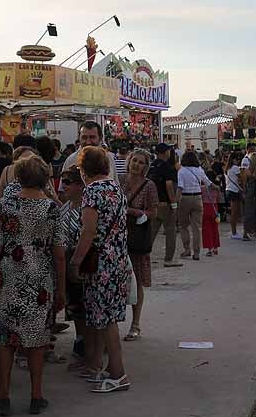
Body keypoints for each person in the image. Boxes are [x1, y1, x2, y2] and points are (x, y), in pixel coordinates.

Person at [0, 155, 65, 416]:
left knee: (6, 339)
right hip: (41, 278)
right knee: (37, 338)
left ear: (18, 177)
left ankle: (3, 396)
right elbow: (59, 253)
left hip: (9, 275)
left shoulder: (7, 205)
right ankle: (36, 395)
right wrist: (61, 287)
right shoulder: (52, 209)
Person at [71, 146, 131, 393]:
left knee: (105, 322)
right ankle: (105, 368)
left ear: (84, 170)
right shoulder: (115, 188)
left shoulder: (92, 192)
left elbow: (89, 231)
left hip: (100, 263)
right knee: (107, 318)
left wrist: (75, 261)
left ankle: (118, 373)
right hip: (117, 259)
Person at [120, 150, 157, 341]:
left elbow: (153, 211)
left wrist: (133, 211)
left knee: (137, 281)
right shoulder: (119, 180)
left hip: (137, 238)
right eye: (134, 160)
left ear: (145, 166)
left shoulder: (149, 186)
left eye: (141, 162)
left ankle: (135, 324)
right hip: (118, 237)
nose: (136, 164)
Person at [57, 168, 89, 365]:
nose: (63, 186)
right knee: (75, 309)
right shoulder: (66, 206)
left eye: (67, 182)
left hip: (83, 265)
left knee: (85, 309)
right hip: (68, 265)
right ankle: (80, 341)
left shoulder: (87, 208)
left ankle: (88, 348)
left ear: (80, 185)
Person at [148, 143, 182, 266]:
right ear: (163, 152)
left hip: (154, 204)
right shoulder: (167, 167)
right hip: (165, 204)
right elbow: (169, 185)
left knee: (151, 232)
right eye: (168, 150)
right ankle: (169, 259)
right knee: (171, 231)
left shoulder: (152, 166)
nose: (169, 153)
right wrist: (173, 204)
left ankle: (144, 255)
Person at [177, 151, 211, 261]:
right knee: (197, 228)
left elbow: (180, 187)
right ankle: (196, 253)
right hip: (197, 198)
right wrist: (216, 187)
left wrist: (176, 201)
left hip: (185, 199)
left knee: (183, 226)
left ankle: (187, 249)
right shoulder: (199, 170)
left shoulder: (181, 171)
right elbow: (208, 183)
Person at [201, 167, 222, 257]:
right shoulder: (217, 188)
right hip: (215, 208)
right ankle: (215, 248)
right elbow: (219, 199)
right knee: (215, 228)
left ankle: (209, 249)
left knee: (207, 229)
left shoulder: (202, 188)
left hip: (205, 207)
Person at [241, 143, 256, 240]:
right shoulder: (246, 159)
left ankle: (250, 230)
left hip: (252, 186)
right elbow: (245, 174)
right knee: (248, 210)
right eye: (252, 149)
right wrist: (244, 188)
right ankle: (245, 232)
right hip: (250, 186)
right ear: (248, 149)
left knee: (252, 210)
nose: (254, 151)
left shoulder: (250, 158)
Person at [225, 152, 243, 239]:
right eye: (237, 159)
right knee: (234, 213)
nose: (238, 161)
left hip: (229, 190)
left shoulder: (228, 168)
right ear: (233, 159)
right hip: (234, 191)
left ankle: (234, 231)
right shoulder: (235, 168)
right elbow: (240, 179)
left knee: (234, 212)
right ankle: (234, 233)